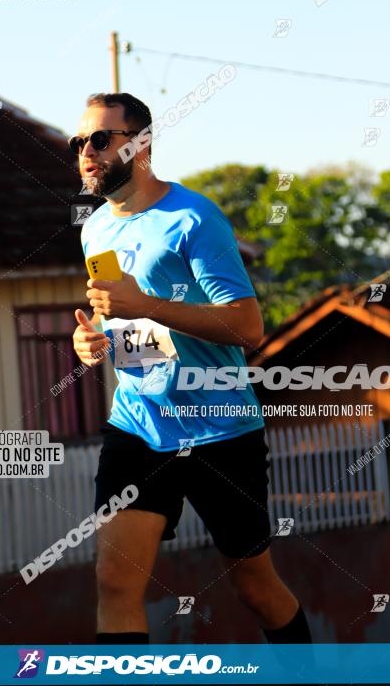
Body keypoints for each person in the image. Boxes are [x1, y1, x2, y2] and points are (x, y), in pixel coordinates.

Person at [70, 91, 311, 646]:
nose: (87, 151)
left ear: (141, 145)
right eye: (79, 141)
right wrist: (95, 340)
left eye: (101, 140)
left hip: (219, 429)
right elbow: (129, 324)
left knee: (255, 587)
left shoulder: (194, 217)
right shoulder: (94, 230)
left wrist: (147, 306)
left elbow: (248, 327)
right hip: (138, 425)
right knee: (114, 584)